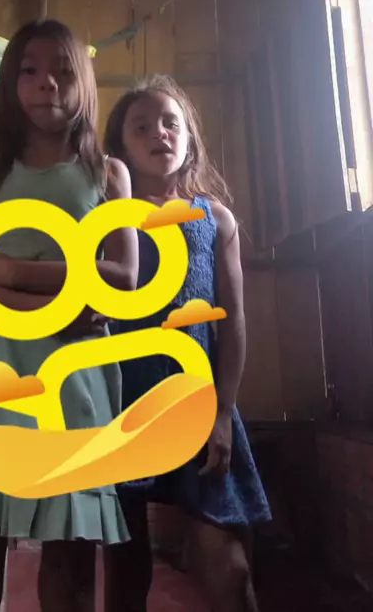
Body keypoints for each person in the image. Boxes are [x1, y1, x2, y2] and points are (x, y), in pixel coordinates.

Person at [0, 20, 138, 612]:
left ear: (85, 83)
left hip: (74, 383)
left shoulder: (108, 174)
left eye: (65, 71)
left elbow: (123, 275)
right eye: (31, 70)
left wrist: (6, 270)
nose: (49, 83)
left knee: (70, 571)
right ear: (10, 83)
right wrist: (46, 301)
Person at [102, 75, 271, 612]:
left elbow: (234, 322)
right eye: (142, 127)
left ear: (189, 136)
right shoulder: (105, 215)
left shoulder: (214, 218)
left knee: (230, 570)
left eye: (171, 122)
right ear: (120, 145)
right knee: (126, 572)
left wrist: (223, 413)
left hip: (197, 406)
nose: (160, 133)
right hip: (121, 405)